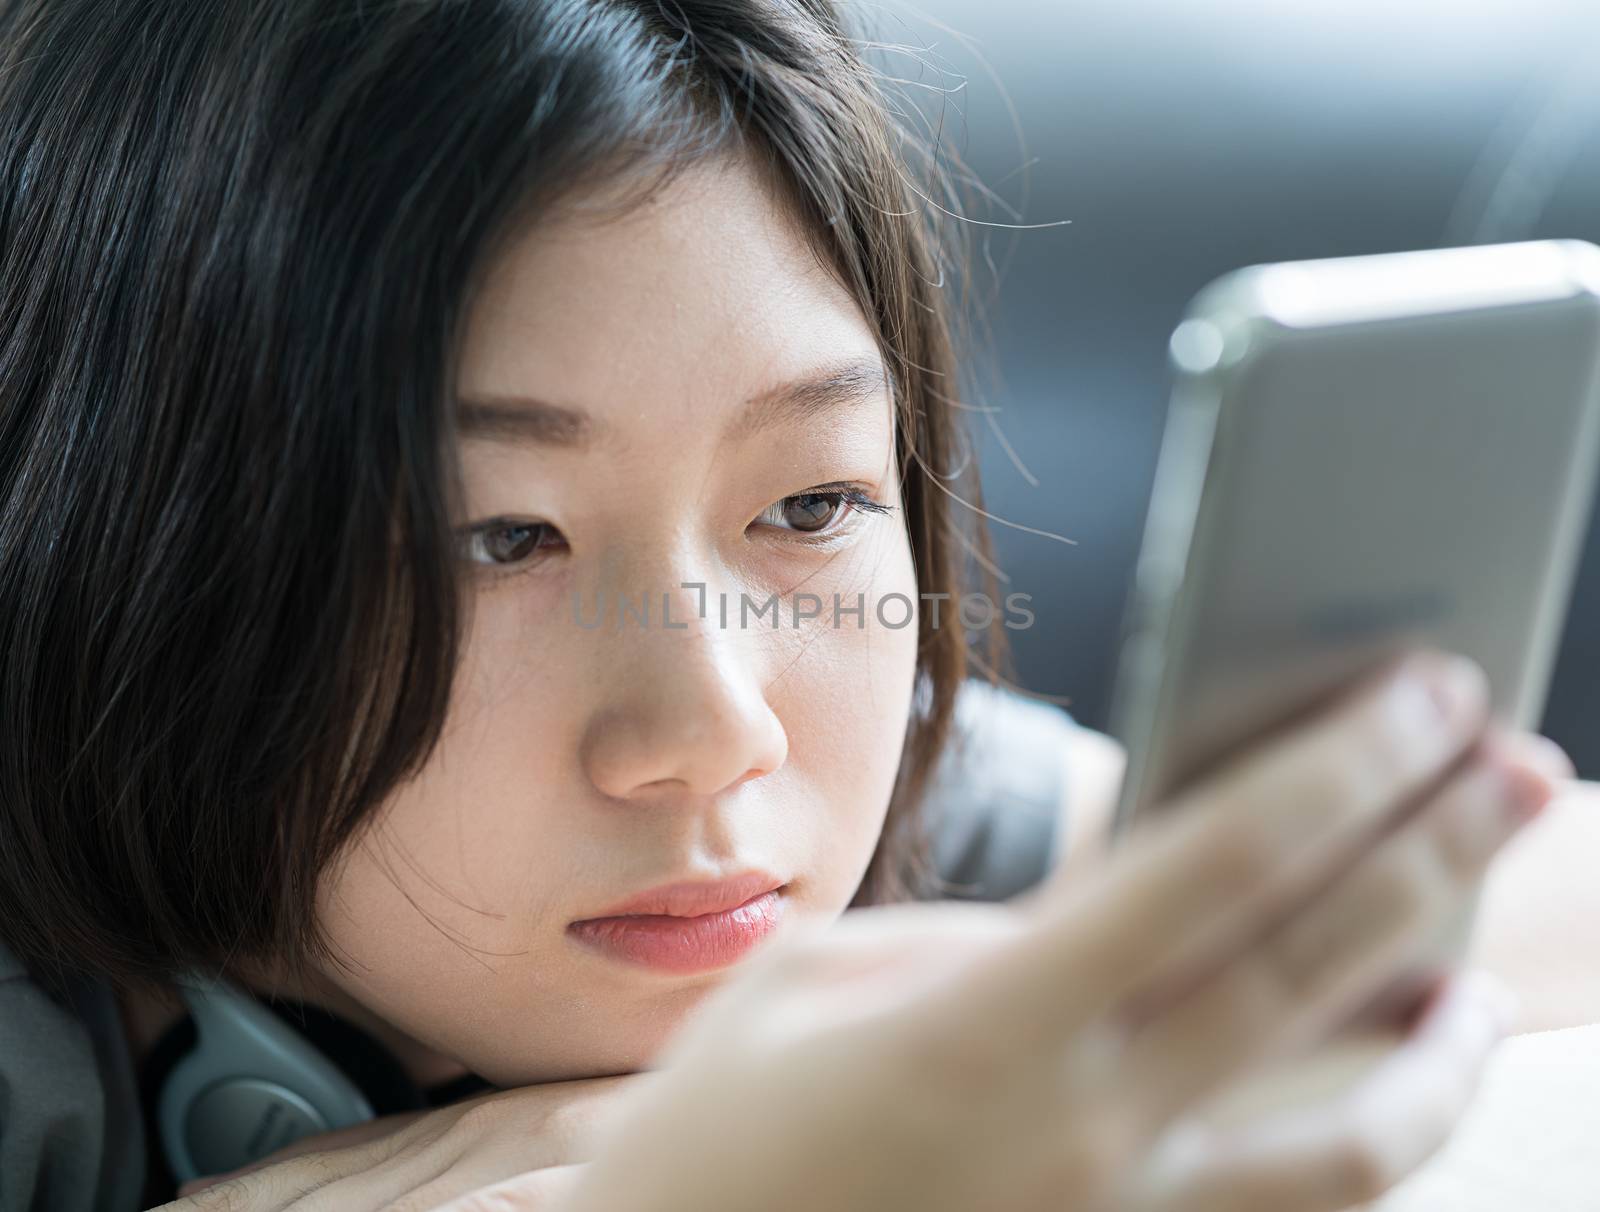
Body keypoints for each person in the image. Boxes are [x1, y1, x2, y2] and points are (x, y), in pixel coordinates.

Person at [0, 1, 1574, 1209]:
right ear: (133, 540)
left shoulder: (905, 793)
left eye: (811, 506)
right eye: (498, 543)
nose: (715, 732)